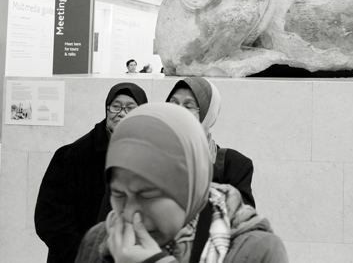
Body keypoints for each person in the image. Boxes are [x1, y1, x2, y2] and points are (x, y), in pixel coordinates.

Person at [74, 103, 288, 263]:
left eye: (147, 195)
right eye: (119, 195)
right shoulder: (100, 240)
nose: (130, 214)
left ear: (189, 188)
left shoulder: (256, 251)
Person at [35, 83, 148, 263]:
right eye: (116, 106)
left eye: (131, 108)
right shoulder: (73, 156)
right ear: (107, 110)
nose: (121, 113)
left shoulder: (149, 156)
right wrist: (86, 255)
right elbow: (50, 221)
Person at [167, 77, 256, 207]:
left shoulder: (235, 165)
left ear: (208, 114)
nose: (178, 111)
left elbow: (241, 221)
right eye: (173, 104)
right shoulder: (153, 156)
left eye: (188, 106)